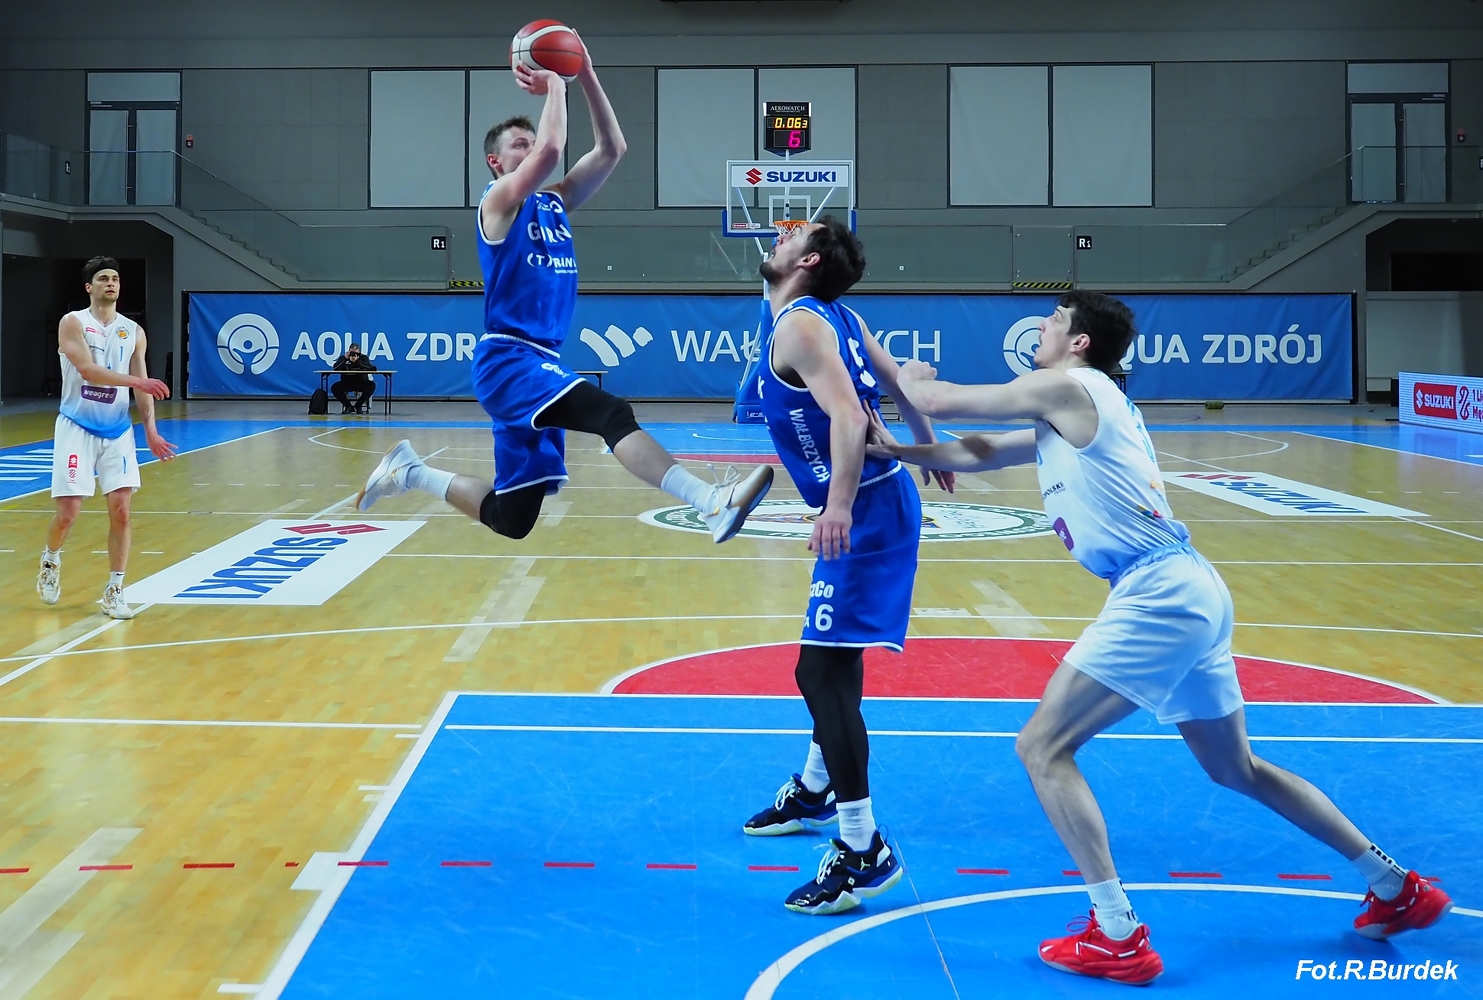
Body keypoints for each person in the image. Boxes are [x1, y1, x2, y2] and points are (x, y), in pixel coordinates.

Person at [868, 290, 1452, 983]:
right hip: (1188, 588)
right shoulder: (1071, 408)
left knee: (1042, 748)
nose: (1043, 325)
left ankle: (1115, 933)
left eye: (1055, 319)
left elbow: (942, 401)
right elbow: (981, 449)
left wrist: (908, 375)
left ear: (1080, 342)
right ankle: (1394, 886)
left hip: (1159, 593)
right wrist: (900, 448)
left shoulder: (1070, 385)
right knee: (1235, 768)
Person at [356, 38, 771, 541]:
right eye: (519, 145)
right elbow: (553, 150)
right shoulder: (497, 203)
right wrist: (555, 82)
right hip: (509, 359)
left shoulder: (553, 202)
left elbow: (612, 149)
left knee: (512, 519)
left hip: (538, 358)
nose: (531, 149)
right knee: (612, 413)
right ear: (494, 162)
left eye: (531, 142)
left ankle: (410, 472)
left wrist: (587, 73)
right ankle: (710, 501)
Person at [739, 216, 954, 916]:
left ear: (806, 261)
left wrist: (835, 507)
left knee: (818, 672)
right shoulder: (838, 316)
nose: (778, 236)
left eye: (792, 233)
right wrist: (928, 445)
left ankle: (863, 848)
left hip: (864, 509)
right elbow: (899, 384)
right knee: (833, 663)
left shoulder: (804, 326)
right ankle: (813, 789)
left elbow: (852, 418)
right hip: (872, 501)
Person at [37, 257, 176, 620]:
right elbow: (88, 371)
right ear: (89, 287)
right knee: (69, 511)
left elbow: (143, 390)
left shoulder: (134, 331)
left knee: (122, 510)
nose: (111, 283)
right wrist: (137, 381)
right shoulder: (73, 322)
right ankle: (50, 560)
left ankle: (115, 590)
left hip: (117, 430)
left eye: (115, 278)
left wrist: (151, 432)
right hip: (77, 426)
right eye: (103, 278)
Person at [331, 342, 376, 413]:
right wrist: (345, 359)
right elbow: (335, 368)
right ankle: (348, 406)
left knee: (371, 385)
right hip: (346, 383)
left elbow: (370, 367)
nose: (353, 355)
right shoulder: (343, 358)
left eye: (356, 353)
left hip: (361, 383)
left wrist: (357, 361)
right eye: (352, 353)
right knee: (335, 387)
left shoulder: (363, 358)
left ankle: (359, 405)